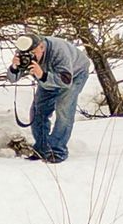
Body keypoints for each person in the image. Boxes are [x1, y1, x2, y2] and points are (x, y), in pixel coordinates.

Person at [7, 34, 91, 163]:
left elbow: (65, 81)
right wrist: (14, 67)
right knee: (38, 110)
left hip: (74, 74)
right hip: (46, 77)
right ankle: (41, 149)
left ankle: (57, 151)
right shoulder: (24, 52)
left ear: (42, 47)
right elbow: (12, 79)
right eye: (27, 54)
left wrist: (42, 75)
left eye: (33, 53)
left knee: (64, 109)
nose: (31, 57)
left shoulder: (59, 51)